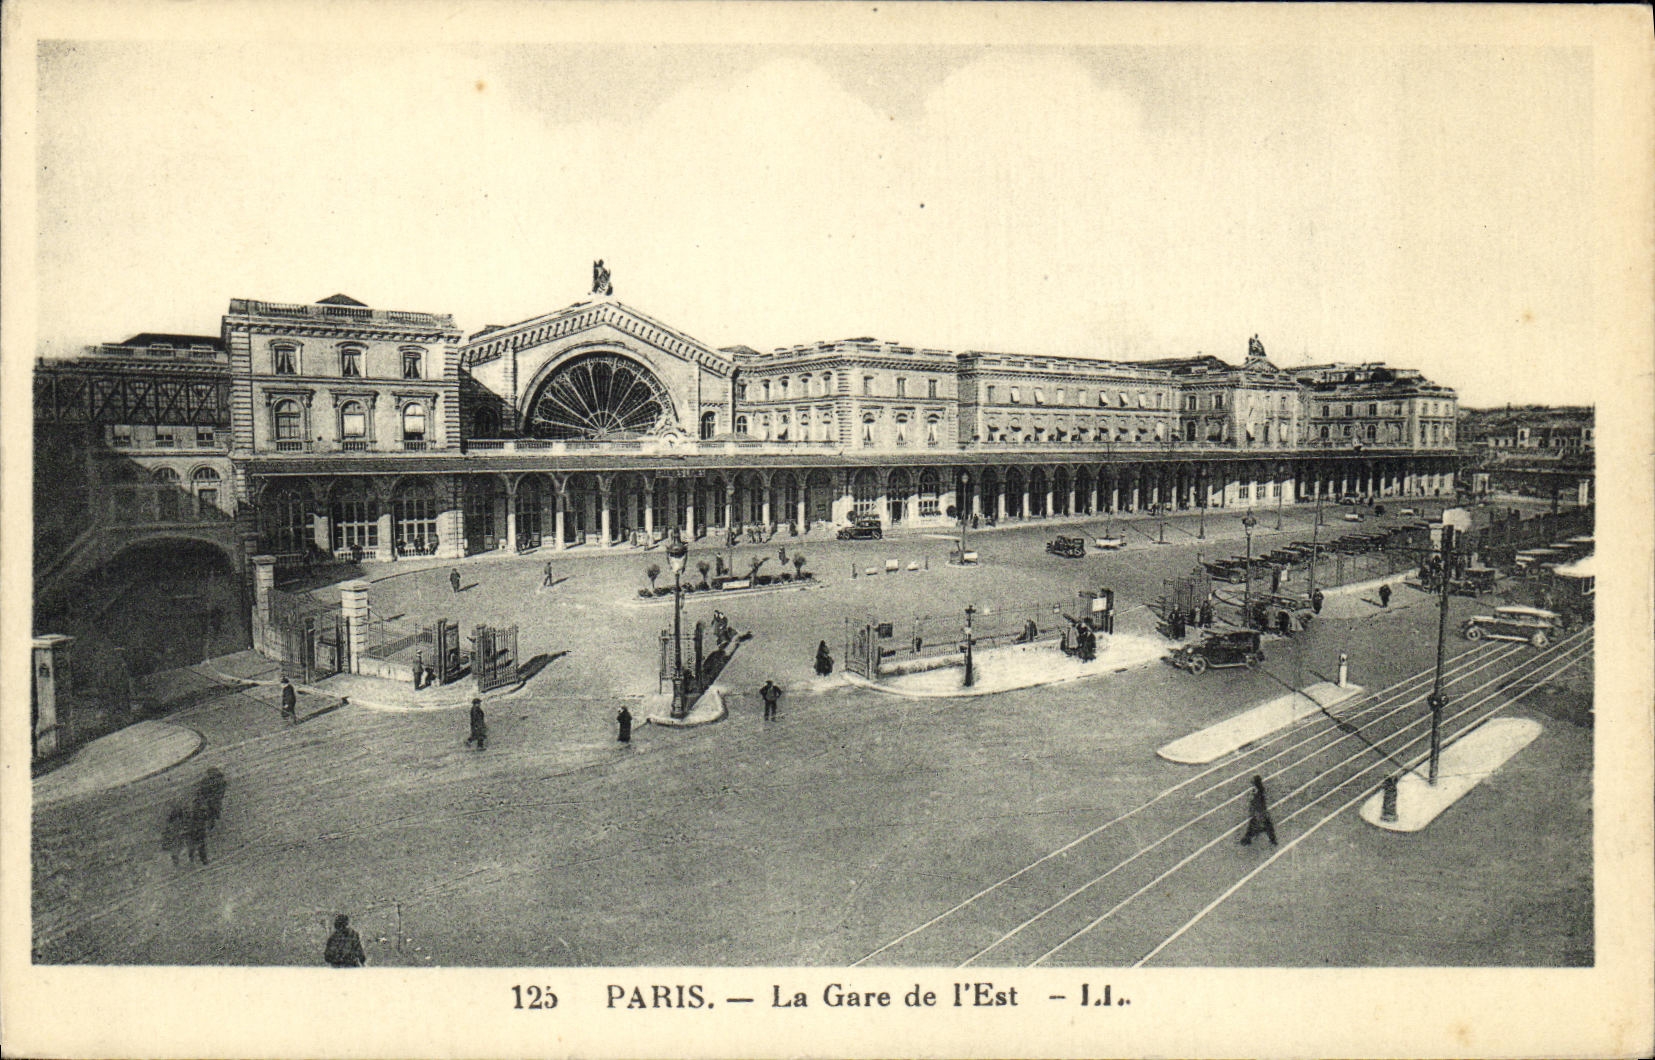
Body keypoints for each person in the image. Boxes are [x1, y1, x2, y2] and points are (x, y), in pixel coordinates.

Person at [1240, 774, 1278, 847]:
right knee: (1265, 825)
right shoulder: (1260, 790)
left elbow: (1256, 802)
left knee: (1259, 824)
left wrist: (1253, 810)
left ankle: (1248, 839)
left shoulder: (1257, 791)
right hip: (1261, 811)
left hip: (1259, 811)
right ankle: (1272, 840)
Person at [161, 800, 190, 866]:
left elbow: (166, 840)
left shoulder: (176, 849)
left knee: (175, 822)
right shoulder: (177, 849)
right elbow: (181, 840)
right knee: (177, 821)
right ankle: (178, 810)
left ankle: (177, 810)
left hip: (174, 830)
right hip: (175, 830)